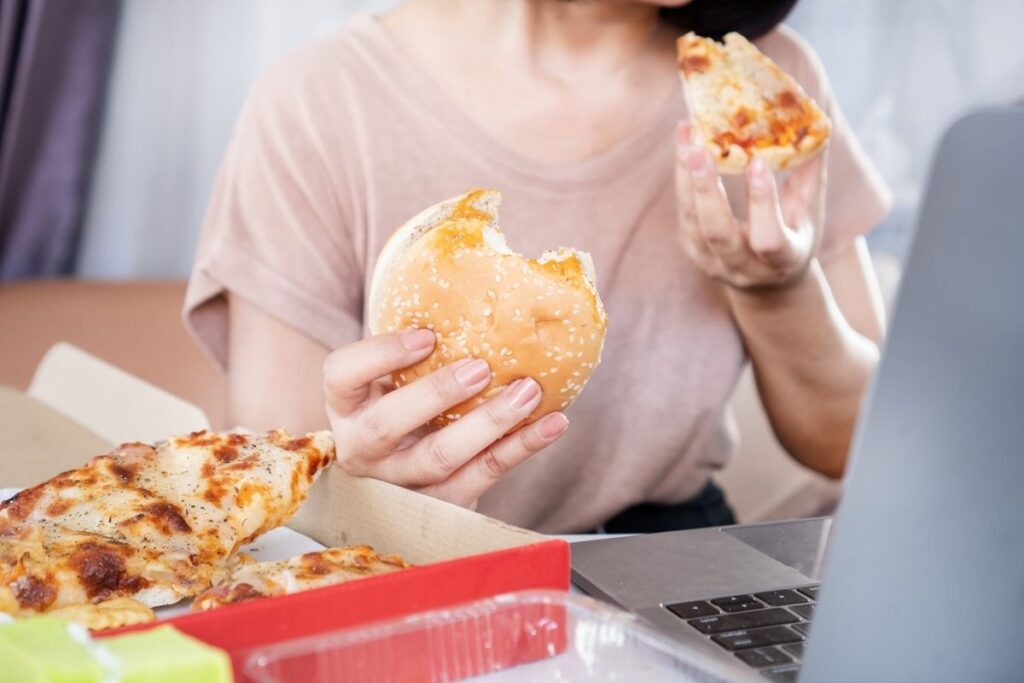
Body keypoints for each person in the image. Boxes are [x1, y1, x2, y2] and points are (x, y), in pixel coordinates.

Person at [185, 0, 891, 534]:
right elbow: (273, 496)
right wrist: (372, 490)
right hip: (402, 566)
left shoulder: (757, 86)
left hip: (671, 557)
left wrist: (774, 288)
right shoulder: (318, 102)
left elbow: (858, 443)